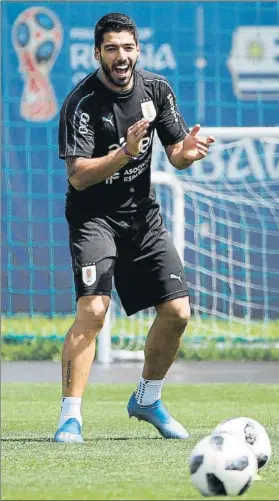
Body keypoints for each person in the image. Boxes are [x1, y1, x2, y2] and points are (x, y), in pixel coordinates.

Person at [55, 12, 215, 443]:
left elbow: (176, 154)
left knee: (178, 312)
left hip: (142, 217)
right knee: (93, 310)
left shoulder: (156, 89)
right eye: (111, 49)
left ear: (137, 50)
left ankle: (147, 398)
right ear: (97, 53)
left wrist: (189, 151)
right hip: (94, 219)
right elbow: (79, 175)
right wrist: (125, 152)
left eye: (127, 47)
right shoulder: (81, 104)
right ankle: (71, 416)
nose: (120, 56)